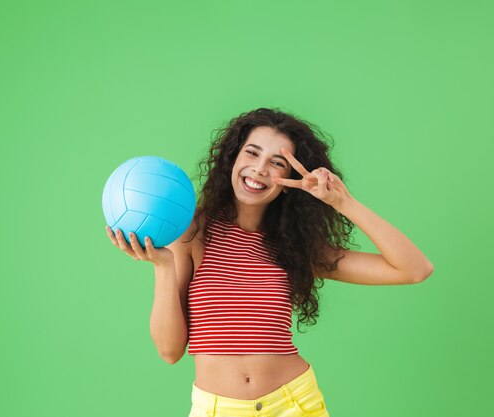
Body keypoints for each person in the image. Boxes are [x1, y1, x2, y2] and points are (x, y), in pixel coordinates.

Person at [105, 107, 434, 417]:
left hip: (294, 403)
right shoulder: (194, 231)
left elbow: (414, 269)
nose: (260, 168)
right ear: (232, 158)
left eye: (277, 162)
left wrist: (342, 202)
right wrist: (163, 267)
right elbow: (169, 351)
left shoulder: (296, 246)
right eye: (252, 152)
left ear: (291, 178)